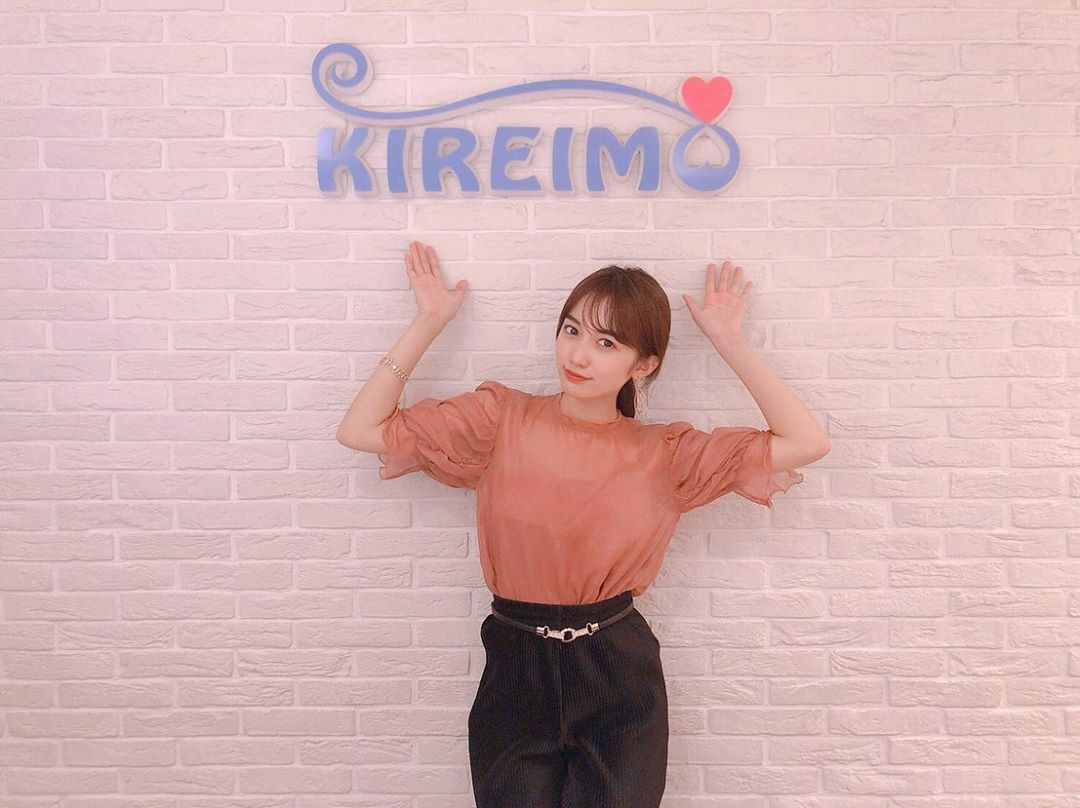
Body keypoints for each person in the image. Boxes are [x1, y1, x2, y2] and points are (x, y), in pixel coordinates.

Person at [336, 240, 830, 808]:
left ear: (643, 365)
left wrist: (728, 340)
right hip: (515, 666)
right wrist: (429, 320)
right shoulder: (500, 418)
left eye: (606, 343)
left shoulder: (664, 453)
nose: (578, 354)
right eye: (571, 330)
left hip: (616, 670)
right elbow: (360, 430)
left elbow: (806, 442)